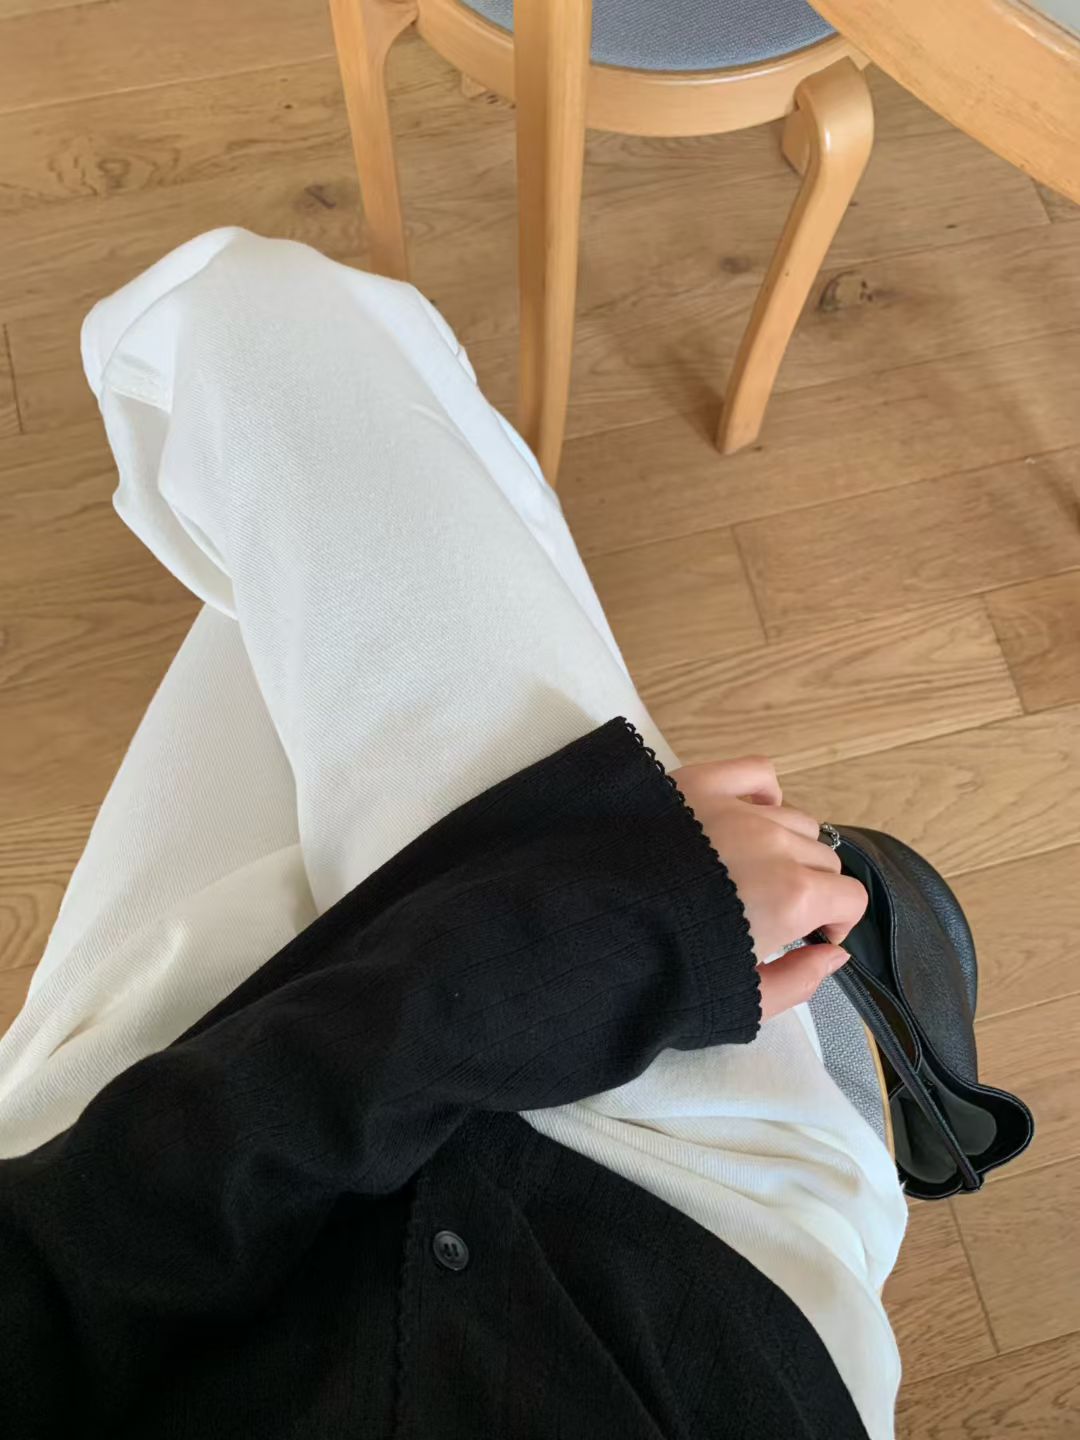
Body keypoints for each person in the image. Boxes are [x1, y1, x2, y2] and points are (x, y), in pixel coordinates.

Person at [0, 230, 907, 1439]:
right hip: (669, 1243)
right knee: (267, 327)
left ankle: (456, 479)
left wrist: (599, 925)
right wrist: (613, 929)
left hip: (131, 1173)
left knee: (277, 455)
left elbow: (71, 1266)